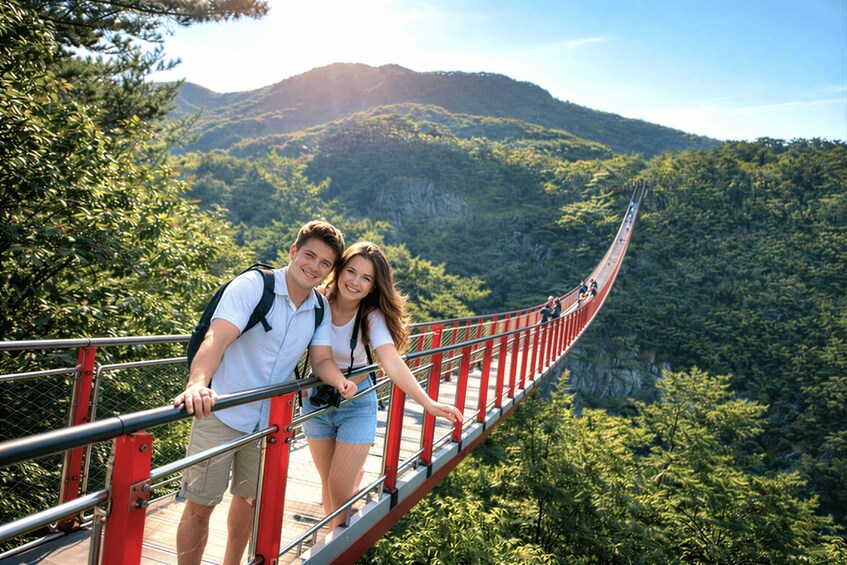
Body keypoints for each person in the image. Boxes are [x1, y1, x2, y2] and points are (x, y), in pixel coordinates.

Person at [172, 220, 356, 565]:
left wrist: (338, 381)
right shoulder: (254, 286)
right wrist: (197, 384)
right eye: (309, 255)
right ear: (293, 251)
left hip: (268, 422)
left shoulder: (318, 309)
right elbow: (217, 338)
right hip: (221, 411)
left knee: (250, 500)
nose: (314, 267)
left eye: (324, 263)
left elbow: (321, 359)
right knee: (201, 505)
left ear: (330, 270)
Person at [301, 242, 463, 530]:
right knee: (329, 484)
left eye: (366, 278)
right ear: (339, 269)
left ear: (374, 286)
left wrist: (428, 403)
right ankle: (333, 533)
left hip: (356, 403)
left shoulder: (370, 315)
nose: (355, 282)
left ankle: (335, 542)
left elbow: (391, 361)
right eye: (351, 272)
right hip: (318, 401)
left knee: (338, 490)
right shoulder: (317, 301)